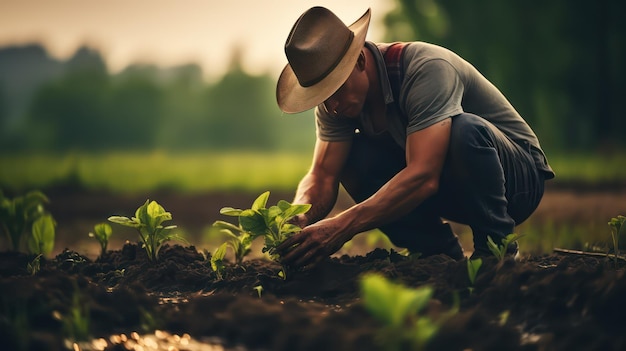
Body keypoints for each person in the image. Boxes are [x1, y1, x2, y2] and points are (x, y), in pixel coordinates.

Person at [274, 6, 554, 267]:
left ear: (359, 60)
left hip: (517, 183)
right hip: (454, 187)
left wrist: (342, 225)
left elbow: (424, 176)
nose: (332, 105)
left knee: (463, 130)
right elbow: (322, 174)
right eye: (322, 96)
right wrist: (298, 218)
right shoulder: (335, 106)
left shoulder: (425, 69)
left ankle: (496, 250)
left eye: (336, 89)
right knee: (353, 159)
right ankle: (436, 255)